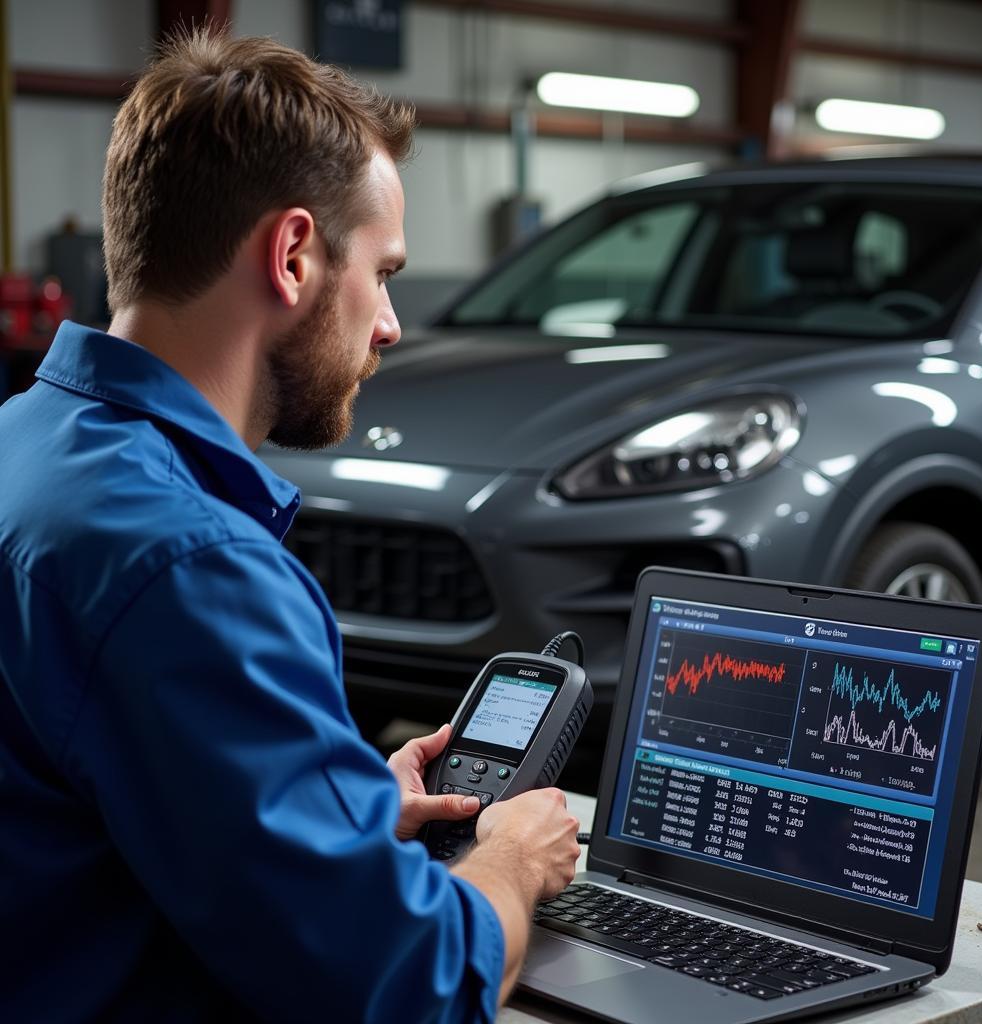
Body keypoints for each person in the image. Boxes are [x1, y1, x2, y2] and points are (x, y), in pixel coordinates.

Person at [0, 28, 580, 1023]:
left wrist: (335, 807)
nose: (391, 324)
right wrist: (512, 860)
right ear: (295, 254)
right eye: (385, 272)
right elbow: (411, 985)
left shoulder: (25, 442)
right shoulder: (190, 563)